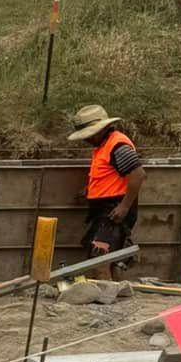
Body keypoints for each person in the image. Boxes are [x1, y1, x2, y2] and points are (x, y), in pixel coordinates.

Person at [68, 104, 144, 275]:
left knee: (100, 257)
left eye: (88, 134)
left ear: (100, 129)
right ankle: (111, 291)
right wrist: (90, 190)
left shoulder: (117, 145)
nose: (85, 139)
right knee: (105, 256)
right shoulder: (104, 146)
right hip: (105, 210)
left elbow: (138, 175)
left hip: (114, 209)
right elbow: (109, 176)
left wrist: (123, 207)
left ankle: (105, 294)